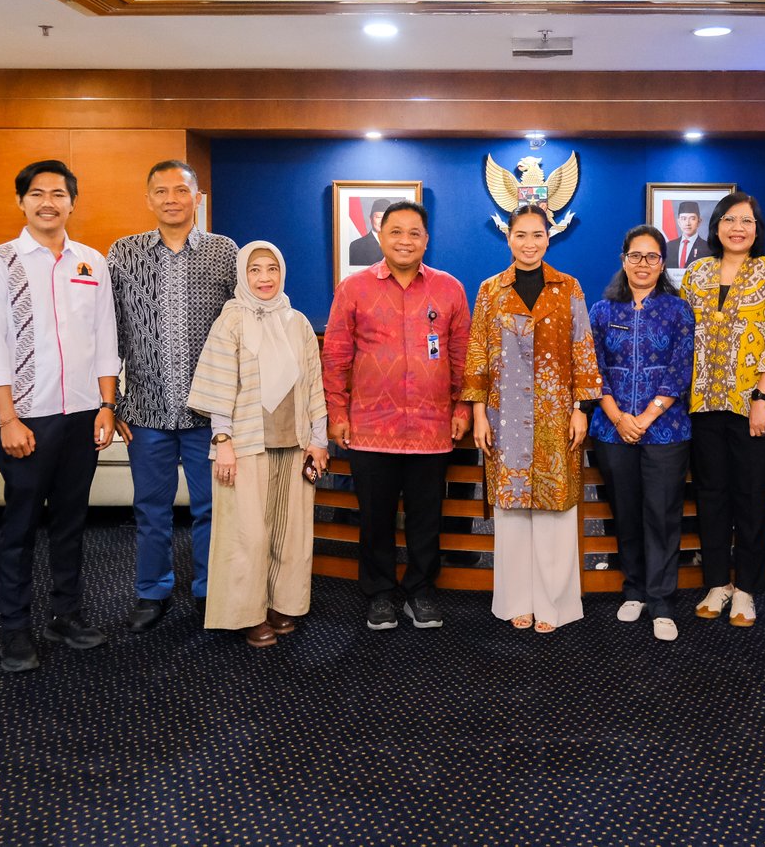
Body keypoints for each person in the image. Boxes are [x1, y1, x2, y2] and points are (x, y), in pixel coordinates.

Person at [0, 160, 120, 673]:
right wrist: (7, 418)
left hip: (82, 415)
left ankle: (67, 614)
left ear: (72, 203)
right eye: (37, 194)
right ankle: (14, 630)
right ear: (21, 202)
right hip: (27, 419)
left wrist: (107, 405)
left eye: (59, 194)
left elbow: (106, 338)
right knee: (18, 527)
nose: (48, 202)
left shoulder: (91, 263)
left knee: (71, 522)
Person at [323, 200, 471, 630]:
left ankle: (421, 589)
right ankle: (381, 594)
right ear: (380, 236)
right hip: (370, 427)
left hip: (432, 427)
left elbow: (462, 357)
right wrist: (337, 411)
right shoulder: (354, 288)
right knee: (375, 517)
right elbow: (335, 356)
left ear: (426, 240)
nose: (405, 240)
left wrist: (461, 406)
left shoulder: (449, 289)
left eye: (414, 233)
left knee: (427, 516)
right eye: (396, 232)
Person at [107, 160, 238, 633]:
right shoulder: (123, 253)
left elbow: (241, 330)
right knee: (151, 508)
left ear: (197, 198)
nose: (170, 199)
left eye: (180, 190)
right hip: (146, 410)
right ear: (148, 199)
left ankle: (210, 588)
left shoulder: (225, 253)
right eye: (159, 191)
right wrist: (112, 400)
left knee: (211, 509)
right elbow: (110, 332)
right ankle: (152, 590)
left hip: (208, 413)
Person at [466, 205, 602, 633]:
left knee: (553, 511)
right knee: (511, 512)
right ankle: (516, 601)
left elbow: (583, 349)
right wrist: (477, 414)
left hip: (556, 414)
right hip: (503, 416)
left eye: (537, 235)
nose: (529, 243)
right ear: (508, 238)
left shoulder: (569, 288)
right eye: (521, 235)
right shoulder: (490, 290)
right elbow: (476, 354)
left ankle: (553, 602)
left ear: (549, 238)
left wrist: (582, 409)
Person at [188, 243, 329, 647]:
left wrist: (318, 441)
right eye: (255, 270)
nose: (264, 278)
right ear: (242, 275)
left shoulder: (298, 322)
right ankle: (247, 614)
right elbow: (218, 388)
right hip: (246, 444)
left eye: (271, 269)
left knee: (289, 531)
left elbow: (313, 385)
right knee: (247, 534)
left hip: (294, 442)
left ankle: (280, 603)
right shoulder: (230, 321)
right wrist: (223, 442)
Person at [680, 191, 765, 627]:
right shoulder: (696, 274)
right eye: (730, 219)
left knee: (751, 498)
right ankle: (718, 583)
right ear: (716, 227)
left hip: (755, 408)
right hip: (704, 405)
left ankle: (747, 589)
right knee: (711, 496)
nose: (738, 227)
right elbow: (683, 336)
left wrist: (761, 399)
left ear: (757, 229)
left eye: (747, 221)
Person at [590, 225, 695, 641]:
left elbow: (680, 369)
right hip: (613, 430)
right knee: (627, 513)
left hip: (665, 430)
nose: (643, 264)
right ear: (623, 259)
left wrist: (646, 418)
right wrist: (618, 417)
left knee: (663, 515)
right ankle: (633, 589)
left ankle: (662, 600)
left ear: (662, 263)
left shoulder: (677, 309)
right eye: (636, 256)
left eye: (652, 257)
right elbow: (591, 370)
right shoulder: (602, 311)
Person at [664, 201, 712, 270]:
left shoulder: (708, 248)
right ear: (678, 222)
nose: (687, 223)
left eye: (692, 218)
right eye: (683, 218)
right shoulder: (668, 246)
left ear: (699, 221)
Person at [348, 198, 390, 265]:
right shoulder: (356, 246)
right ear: (371, 219)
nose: (382, 222)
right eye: (378, 217)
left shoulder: (399, 244)